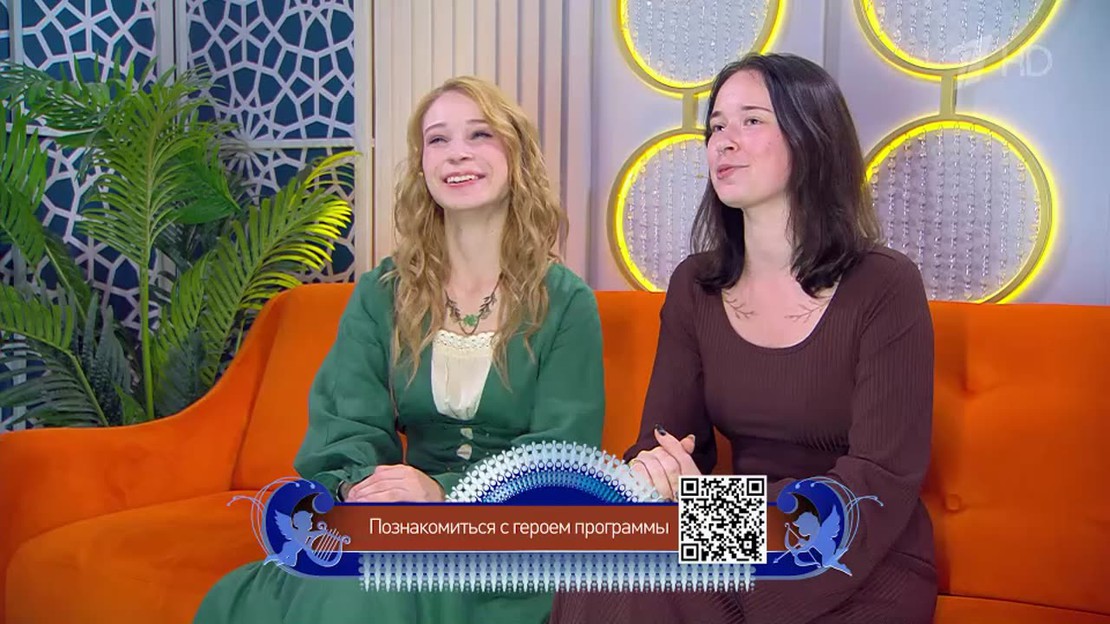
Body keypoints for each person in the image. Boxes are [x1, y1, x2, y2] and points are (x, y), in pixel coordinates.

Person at [195, 76, 606, 624]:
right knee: (333, 578)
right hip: (396, 520)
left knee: (368, 586)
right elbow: (347, 427)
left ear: (516, 154)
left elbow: (559, 457)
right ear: (422, 166)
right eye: (438, 139)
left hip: (508, 534)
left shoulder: (566, 302)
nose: (457, 152)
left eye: (479, 134)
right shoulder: (382, 293)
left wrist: (442, 492)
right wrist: (363, 491)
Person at [550, 53, 936, 623]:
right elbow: (664, 443)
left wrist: (712, 518)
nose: (723, 142)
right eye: (716, 127)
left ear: (811, 138)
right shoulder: (695, 285)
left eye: (751, 120)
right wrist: (656, 474)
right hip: (738, 531)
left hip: (857, 547)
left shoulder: (885, 284)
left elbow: (880, 481)